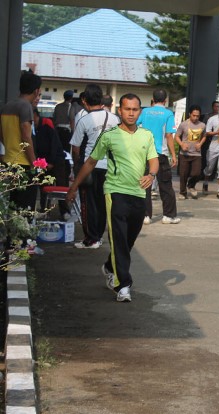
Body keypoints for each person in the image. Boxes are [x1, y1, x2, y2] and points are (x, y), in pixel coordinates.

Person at [66, 93, 158, 303]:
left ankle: (109, 266)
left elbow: (153, 160)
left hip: (138, 193)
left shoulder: (146, 135)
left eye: (135, 109)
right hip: (115, 191)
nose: (131, 113)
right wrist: (74, 187)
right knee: (117, 238)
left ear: (140, 112)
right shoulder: (109, 136)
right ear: (120, 110)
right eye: (127, 109)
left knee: (128, 240)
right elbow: (90, 163)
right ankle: (123, 284)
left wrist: (151, 175)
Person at [70, 84, 120, 249]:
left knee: (88, 204)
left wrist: (78, 165)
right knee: (102, 203)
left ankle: (90, 238)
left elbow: (76, 147)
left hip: (89, 167)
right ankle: (98, 236)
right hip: (109, 167)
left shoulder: (83, 119)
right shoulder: (114, 119)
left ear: (84, 100)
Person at [136, 89, 180, 224]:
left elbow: (137, 129)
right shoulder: (168, 114)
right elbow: (168, 135)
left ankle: (145, 216)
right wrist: (173, 155)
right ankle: (168, 216)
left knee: (145, 184)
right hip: (160, 154)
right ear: (165, 100)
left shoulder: (144, 112)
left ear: (152, 99)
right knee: (165, 185)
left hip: (144, 153)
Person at [0, 71, 42, 210]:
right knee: (25, 209)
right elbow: (26, 135)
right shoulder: (25, 106)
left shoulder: (7, 106)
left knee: (13, 207)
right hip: (23, 164)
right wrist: (34, 163)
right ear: (36, 91)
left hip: (9, 161)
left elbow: (2, 134)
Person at [33, 108, 67, 215]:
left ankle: (65, 211)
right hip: (43, 163)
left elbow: (54, 144)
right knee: (44, 186)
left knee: (61, 187)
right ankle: (44, 209)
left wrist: (51, 162)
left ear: (35, 115)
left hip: (56, 161)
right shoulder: (32, 128)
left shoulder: (47, 123)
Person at [175, 105, 206, 199]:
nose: (196, 117)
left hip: (196, 153)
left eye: (198, 116)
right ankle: (182, 192)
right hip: (185, 154)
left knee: (197, 173)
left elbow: (204, 136)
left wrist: (200, 144)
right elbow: (176, 136)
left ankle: (191, 185)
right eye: (194, 115)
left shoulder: (202, 125)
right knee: (183, 174)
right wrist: (182, 144)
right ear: (189, 114)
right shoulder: (183, 124)